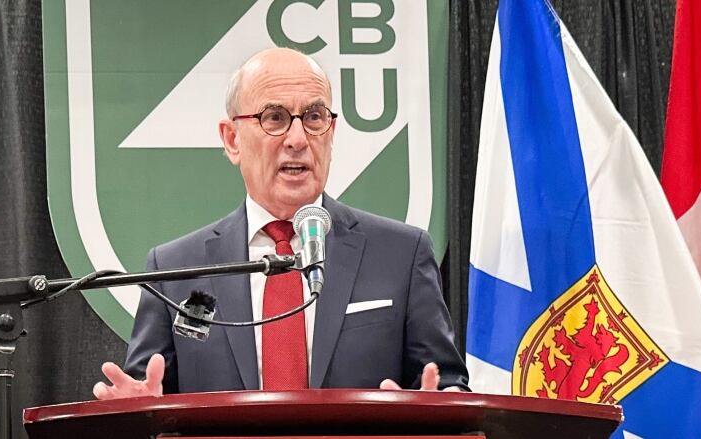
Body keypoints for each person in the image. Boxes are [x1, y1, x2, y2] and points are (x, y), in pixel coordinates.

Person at [93, 48, 468, 399]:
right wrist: (139, 413)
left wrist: (439, 408)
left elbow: (447, 385)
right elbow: (147, 391)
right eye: (274, 118)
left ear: (331, 133)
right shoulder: (175, 267)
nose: (298, 139)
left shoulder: (401, 253)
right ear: (232, 139)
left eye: (314, 117)